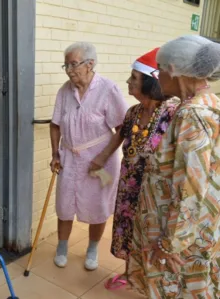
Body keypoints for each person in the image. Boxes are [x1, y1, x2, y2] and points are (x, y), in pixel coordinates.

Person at [127, 36, 220, 298]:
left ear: (173, 70)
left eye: (159, 70)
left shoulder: (193, 115)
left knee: (174, 290)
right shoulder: (210, 104)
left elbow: (191, 186)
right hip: (196, 227)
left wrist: (171, 245)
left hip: (177, 236)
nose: (157, 78)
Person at [89, 48, 179, 290]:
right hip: (129, 184)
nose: (128, 82)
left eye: (133, 78)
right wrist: (101, 157)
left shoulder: (173, 112)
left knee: (151, 234)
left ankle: (151, 281)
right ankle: (129, 273)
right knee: (127, 229)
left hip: (157, 191)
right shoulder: (134, 112)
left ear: (149, 83)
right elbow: (120, 135)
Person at [50, 42, 129, 270]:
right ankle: (62, 246)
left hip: (102, 162)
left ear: (90, 64)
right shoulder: (65, 90)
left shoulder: (108, 89)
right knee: (64, 204)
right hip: (69, 158)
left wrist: (102, 157)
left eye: (73, 64)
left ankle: (93, 248)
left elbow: (122, 128)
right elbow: (55, 125)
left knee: (98, 205)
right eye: (66, 65)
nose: (69, 70)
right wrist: (55, 153)